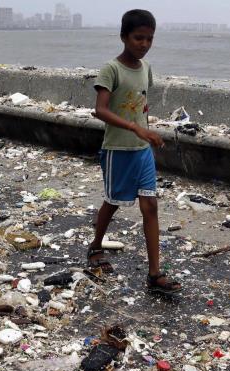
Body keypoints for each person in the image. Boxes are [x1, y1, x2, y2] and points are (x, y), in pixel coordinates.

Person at [88, 9, 182, 294]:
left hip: (142, 150)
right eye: (138, 38)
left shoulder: (146, 69)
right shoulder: (111, 69)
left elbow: (140, 102)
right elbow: (100, 110)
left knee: (150, 206)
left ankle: (154, 274)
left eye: (149, 39)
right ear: (124, 37)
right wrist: (135, 128)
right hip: (118, 149)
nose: (144, 44)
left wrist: (147, 130)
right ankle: (95, 247)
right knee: (113, 201)